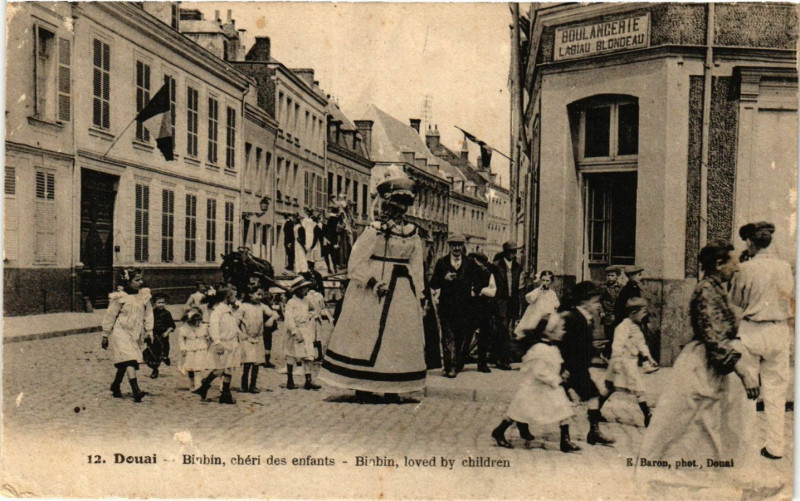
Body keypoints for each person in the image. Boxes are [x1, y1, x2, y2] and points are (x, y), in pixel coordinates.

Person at [638, 242, 760, 475]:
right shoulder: (706, 291)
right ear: (719, 264)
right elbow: (714, 338)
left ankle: (727, 478)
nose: (737, 269)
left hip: (718, 365)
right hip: (705, 364)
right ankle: (668, 474)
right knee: (689, 422)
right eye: (733, 263)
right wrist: (744, 373)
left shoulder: (716, 288)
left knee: (720, 424)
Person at [319, 164, 426, 402]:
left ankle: (393, 386)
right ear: (386, 205)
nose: (400, 210)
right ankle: (363, 384)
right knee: (366, 334)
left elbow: (417, 267)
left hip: (402, 292)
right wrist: (373, 281)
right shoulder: (374, 231)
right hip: (374, 289)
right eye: (395, 204)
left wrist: (419, 293)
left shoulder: (412, 233)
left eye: (404, 204)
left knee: (398, 336)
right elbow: (356, 262)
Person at [730, 222, 794, 460]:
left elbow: (735, 301)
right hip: (778, 330)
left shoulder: (744, 269)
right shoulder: (785, 267)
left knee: (747, 390)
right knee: (776, 393)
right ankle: (775, 447)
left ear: (750, 243)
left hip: (752, 330)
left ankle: (744, 447)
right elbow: (790, 298)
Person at [491, 312, 579, 452]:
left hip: (549, 388)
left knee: (564, 410)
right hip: (535, 388)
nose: (563, 332)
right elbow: (539, 372)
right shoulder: (540, 349)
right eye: (559, 329)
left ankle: (565, 441)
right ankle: (499, 431)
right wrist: (556, 379)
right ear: (549, 332)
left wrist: (561, 373)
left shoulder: (552, 347)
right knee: (517, 411)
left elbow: (554, 366)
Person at [560, 281, 615, 446]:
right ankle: (565, 438)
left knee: (592, 396)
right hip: (569, 368)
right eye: (595, 301)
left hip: (580, 369)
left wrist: (595, 352)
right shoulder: (572, 317)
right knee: (562, 403)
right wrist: (563, 368)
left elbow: (584, 344)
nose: (597, 305)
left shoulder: (586, 318)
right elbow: (564, 345)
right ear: (584, 301)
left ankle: (594, 431)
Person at [101, 268, 153, 403]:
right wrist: (105, 334)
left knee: (125, 361)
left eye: (141, 279)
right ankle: (136, 389)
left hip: (136, 333)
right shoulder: (120, 297)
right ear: (128, 281)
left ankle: (115, 385)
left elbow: (148, 314)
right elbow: (110, 315)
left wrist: (149, 331)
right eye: (137, 280)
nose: (140, 282)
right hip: (121, 331)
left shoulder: (144, 296)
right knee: (130, 359)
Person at [430, 234, 477, 377]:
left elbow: (481, 279)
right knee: (447, 337)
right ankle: (449, 367)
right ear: (449, 246)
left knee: (460, 337)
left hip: (464, 308)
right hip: (447, 307)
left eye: (459, 245)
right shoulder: (442, 263)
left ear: (463, 246)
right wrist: (444, 279)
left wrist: (474, 291)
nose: (457, 248)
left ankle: (457, 363)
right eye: (453, 245)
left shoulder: (469, 263)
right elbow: (433, 283)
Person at [606, 297, 658, 427]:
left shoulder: (635, 327)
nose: (644, 315)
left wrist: (649, 358)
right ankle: (647, 414)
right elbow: (617, 345)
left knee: (634, 388)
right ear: (633, 312)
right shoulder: (623, 327)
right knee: (612, 386)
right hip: (622, 362)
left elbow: (641, 344)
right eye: (642, 312)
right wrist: (616, 362)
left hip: (630, 362)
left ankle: (647, 415)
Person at [192, 284, 242, 404]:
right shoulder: (218, 312)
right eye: (234, 296)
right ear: (227, 296)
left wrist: (240, 335)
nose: (236, 298)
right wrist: (217, 342)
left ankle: (225, 394)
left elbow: (233, 326)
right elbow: (213, 328)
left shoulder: (230, 310)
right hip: (223, 344)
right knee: (220, 370)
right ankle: (205, 384)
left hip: (232, 343)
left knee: (229, 369)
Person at [238, 286, 278, 393]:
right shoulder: (243, 307)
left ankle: (253, 385)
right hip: (247, 338)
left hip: (258, 338)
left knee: (256, 363)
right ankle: (244, 384)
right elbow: (235, 323)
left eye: (261, 295)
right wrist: (242, 335)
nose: (260, 297)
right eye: (258, 294)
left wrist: (271, 319)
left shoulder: (261, 307)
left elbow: (275, 314)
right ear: (250, 294)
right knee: (248, 362)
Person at [284, 277, 321, 390]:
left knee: (308, 355)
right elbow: (289, 319)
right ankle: (290, 380)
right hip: (295, 331)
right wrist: (295, 331)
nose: (307, 290)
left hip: (306, 330)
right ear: (298, 289)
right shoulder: (291, 302)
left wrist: (310, 315)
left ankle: (308, 380)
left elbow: (314, 309)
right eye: (305, 288)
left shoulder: (307, 300)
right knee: (291, 354)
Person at [491, 241, 522, 370]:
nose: (512, 254)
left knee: (506, 330)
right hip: (499, 302)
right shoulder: (496, 266)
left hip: (512, 302)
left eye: (514, 251)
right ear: (505, 251)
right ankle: (503, 360)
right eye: (510, 251)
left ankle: (499, 356)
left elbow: (519, 286)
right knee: (503, 329)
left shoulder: (518, 267)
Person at [514, 270, 560, 343]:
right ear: (540, 280)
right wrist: (539, 289)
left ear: (551, 282)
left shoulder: (552, 293)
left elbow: (556, 304)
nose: (545, 283)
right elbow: (530, 298)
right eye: (543, 280)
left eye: (547, 281)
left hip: (546, 315)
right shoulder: (537, 291)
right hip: (535, 314)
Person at [470, 253, 496, 373]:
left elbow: (493, 291)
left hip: (483, 306)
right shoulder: (467, 272)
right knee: (467, 334)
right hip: (468, 306)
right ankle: (460, 360)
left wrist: (481, 290)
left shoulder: (488, 274)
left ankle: (482, 363)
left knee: (484, 335)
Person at [176, 307, 209, 391]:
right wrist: (183, 349)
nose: (197, 322)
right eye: (195, 321)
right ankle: (192, 383)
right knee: (190, 367)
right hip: (189, 348)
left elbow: (208, 336)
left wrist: (208, 341)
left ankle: (198, 385)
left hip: (201, 348)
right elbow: (181, 340)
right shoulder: (183, 329)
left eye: (199, 320)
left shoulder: (204, 327)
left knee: (198, 367)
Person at [145, 293, 176, 379]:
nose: (161, 304)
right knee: (154, 353)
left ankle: (165, 356)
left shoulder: (167, 313)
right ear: (154, 303)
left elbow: (172, 325)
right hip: (153, 335)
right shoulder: (151, 313)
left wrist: (167, 332)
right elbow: (147, 323)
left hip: (163, 335)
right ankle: (155, 369)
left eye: (163, 302)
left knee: (165, 349)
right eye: (159, 302)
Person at [306, 278, 334, 362]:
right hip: (318, 319)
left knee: (309, 336)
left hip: (310, 318)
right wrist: (329, 317)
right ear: (316, 286)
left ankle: (310, 354)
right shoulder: (320, 295)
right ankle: (320, 355)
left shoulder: (306, 296)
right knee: (318, 337)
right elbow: (323, 307)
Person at [599, 265, 622, 359]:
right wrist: (601, 311)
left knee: (618, 336)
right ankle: (606, 355)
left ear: (617, 276)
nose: (609, 277)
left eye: (612, 275)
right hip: (607, 315)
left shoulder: (621, 288)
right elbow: (598, 301)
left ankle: (613, 356)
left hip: (618, 315)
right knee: (609, 337)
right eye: (608, 275)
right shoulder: (604, 288)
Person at [260, 290, 281, 369]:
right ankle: (267, 361)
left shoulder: (262, 306)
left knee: (264, 343)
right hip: (267, 327)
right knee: (267, 344)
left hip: (263, 326)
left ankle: (263, 360)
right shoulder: (266, 307)